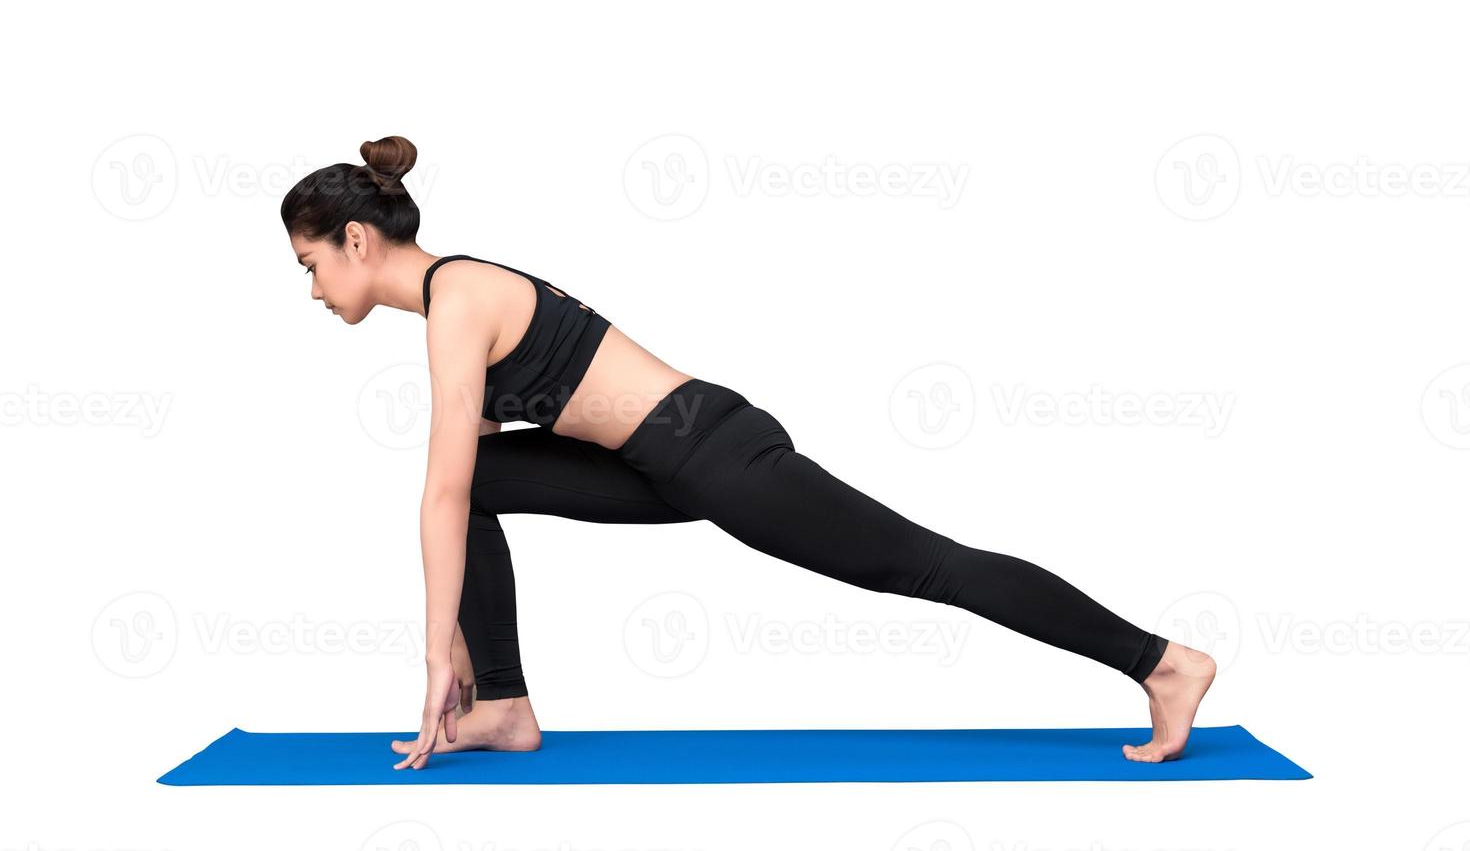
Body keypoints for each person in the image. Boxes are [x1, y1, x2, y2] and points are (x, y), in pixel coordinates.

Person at [279, 136, 1217, 771]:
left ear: (357, 240)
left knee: (926, 566)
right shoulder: (459, 300)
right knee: (475, 483)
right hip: (660, 463)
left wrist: (432, 660)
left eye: (311, 264)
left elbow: (439, 497)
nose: (314, 289)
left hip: (718, 455)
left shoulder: (458, 303)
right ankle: (507, 709)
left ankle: (1160, 661)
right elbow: (464, 486)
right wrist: (459, 650)